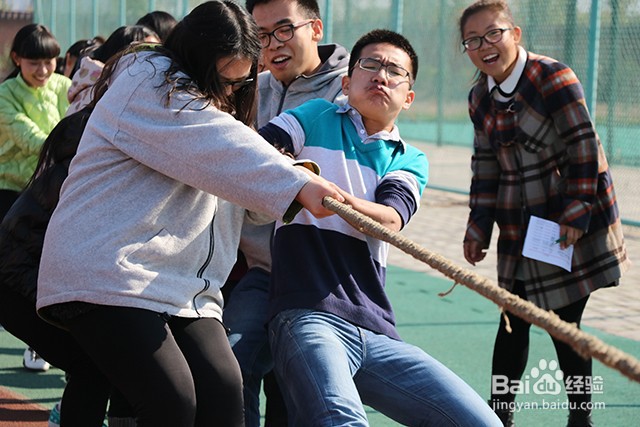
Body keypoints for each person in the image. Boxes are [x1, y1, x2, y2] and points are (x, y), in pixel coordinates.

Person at [35, 1, 343, 426]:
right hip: (109, 274)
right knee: (171, 400)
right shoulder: (150, 81)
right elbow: (212, 141)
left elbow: (240, 197)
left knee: (223, 390)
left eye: (240, 83)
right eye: (224, 80)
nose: (232, 91)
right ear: (196, 60)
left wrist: (284, 183)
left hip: (183, 290)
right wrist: (295, 181)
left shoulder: (221, 114)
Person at [259, 28, 502, 426]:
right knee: (343, 420)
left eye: (395, 71)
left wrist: (327, 192)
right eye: (369, 64)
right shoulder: (312, 115)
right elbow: (259, 151)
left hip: (377, 331)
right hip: (306, 315)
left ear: (408, 98)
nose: (381, 76)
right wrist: (293, 173)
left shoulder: (409, 158)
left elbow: (389, 218)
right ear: (346, 81)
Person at [459, 1, 630, 426]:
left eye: (494, 33)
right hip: (520, 224)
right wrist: (478, 226)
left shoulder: (553, 76)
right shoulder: (480, 96)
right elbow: (485, 165)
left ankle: (580, 418)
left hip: (569, 219)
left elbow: (584, 147)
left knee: (565, 321)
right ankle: (499, 415)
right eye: (473, 40)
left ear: (515, 34)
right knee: (512, 320)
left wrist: (573, 215)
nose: (485, 45)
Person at [222, 0, 350, 424]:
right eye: (259, 35)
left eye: (283, 29)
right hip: (258, 271)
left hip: (322, 281)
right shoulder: (248, 89)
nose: (271, 45)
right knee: (229, 370)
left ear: (315, 27)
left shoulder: (351, 90)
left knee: (302, 399)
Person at [0, 106, 114, 427]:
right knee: (93, 364)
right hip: (22, 278)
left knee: (100, 364)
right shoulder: (83, 169)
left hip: (30, 275)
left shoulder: (87, 147)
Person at [0, 22, 71, 373]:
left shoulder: (64, 86)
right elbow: (34, 140)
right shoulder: (5, 94)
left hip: (55, 194)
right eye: (34, 63)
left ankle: (39, 344)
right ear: (17, 59)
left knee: (47, 269)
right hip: (12, 194)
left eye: (50, 62)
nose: (44, 71)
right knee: (16, 271)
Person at [66, 25, 160, 116]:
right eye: (149, 53)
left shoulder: (94, 83)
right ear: (122, 56)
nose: (158, 61)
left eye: (159, 51)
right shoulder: (104, 93)